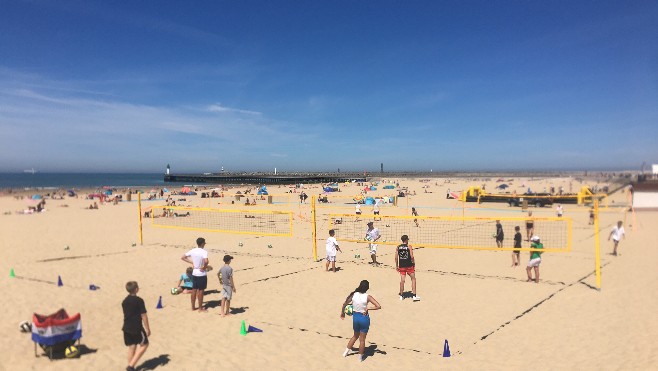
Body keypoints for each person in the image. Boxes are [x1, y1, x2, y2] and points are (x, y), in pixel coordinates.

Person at [340, 280, 382, 362]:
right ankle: (360, 358)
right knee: (362, 340)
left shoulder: (354, 294)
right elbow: (378, 306)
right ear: (367, 288)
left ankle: (345, 352)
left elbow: (344, 304)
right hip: (364, 318)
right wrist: (368, 308)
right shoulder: (368, 296)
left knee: (355, 336)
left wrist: (342, 313)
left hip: (355, 318)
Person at [122, 281, 151, 371]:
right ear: (136, 289)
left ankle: (131, 366)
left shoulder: (124, 301)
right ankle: (130, 366)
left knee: (132, 346)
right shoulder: (139, 300)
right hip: (136, 328)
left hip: (126, 327)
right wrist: (148, 328)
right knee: (145, 345)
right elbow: (143, 315)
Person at [181, 237, 209, 312]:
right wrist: (204, 267)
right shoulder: (204, 251)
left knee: (194, 290)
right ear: (202, 243)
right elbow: (206, 261)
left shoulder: (193, 250)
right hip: (201, 273)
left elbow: (183, 257)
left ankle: (193, 307)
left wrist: (191, 262)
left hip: (194, 272)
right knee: (201, 291)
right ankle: (200, 308)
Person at [395, 235, 420, 301]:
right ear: (406, 240)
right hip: (409, 266)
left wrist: (396, 265)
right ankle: (414, 296)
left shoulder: (398, 247)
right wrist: (413, 263)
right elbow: (412, 256)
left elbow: (396, 257)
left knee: (402, 280)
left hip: (402, 266)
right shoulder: (409, 246)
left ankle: (401, 295)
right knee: (413, 279)